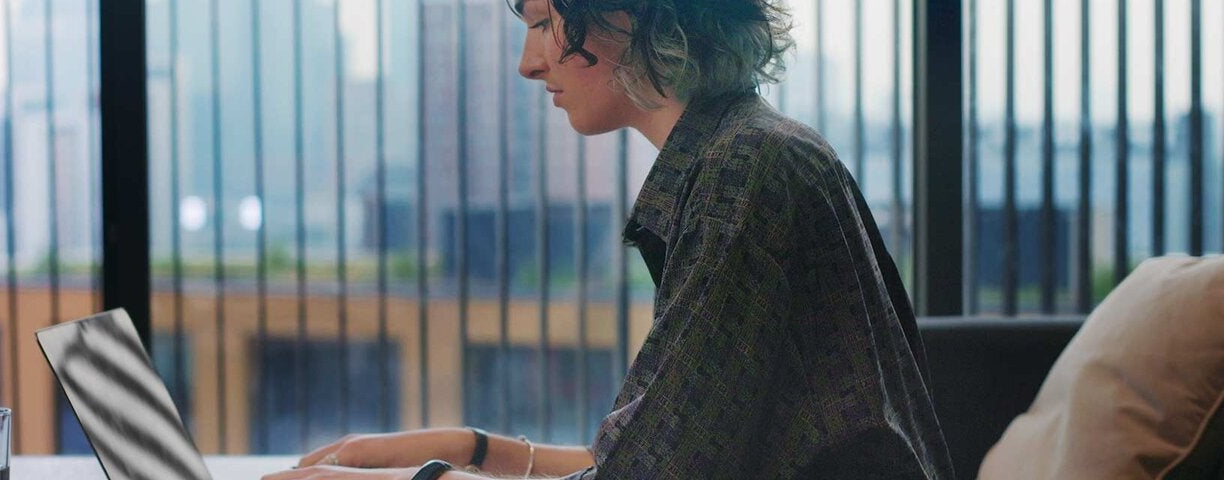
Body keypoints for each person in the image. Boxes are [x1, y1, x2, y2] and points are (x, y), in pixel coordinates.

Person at [262, 0, 954, 478]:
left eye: (541, 22)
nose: (528, 64)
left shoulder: (742, 171)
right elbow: (655, 458)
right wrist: (465, 448)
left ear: (630, 13)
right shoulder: (744, 150)